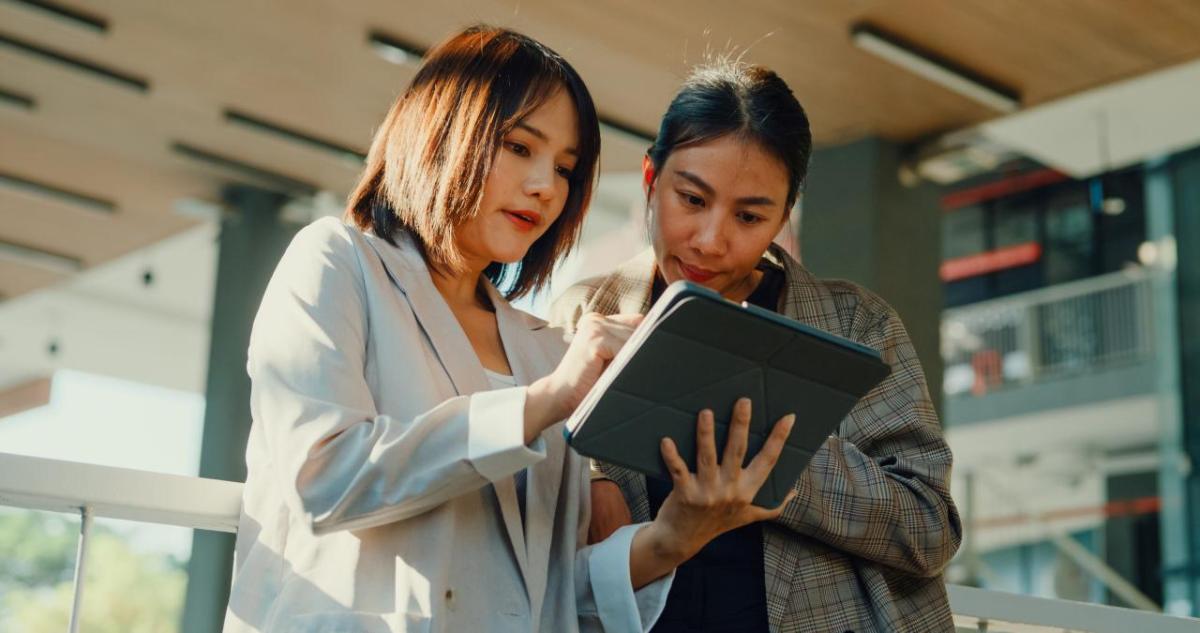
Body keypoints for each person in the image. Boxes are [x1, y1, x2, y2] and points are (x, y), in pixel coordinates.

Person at [223, 26, 796, 633]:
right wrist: (543, 403)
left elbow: (554, 589)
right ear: (442, 130)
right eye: (520, 148)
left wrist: (676, 535)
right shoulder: (338, 262)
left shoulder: (545, 347)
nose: (546, 187)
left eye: (566, 169)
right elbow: (323, 480)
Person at [550, 61, 962, 633]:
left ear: (783, 215)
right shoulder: (581, 315)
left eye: (749, 215)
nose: (711, 240)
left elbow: (929, 529)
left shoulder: (859, 325)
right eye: (691, 199)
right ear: (650, 178)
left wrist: (774, 459)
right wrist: (590, 472)